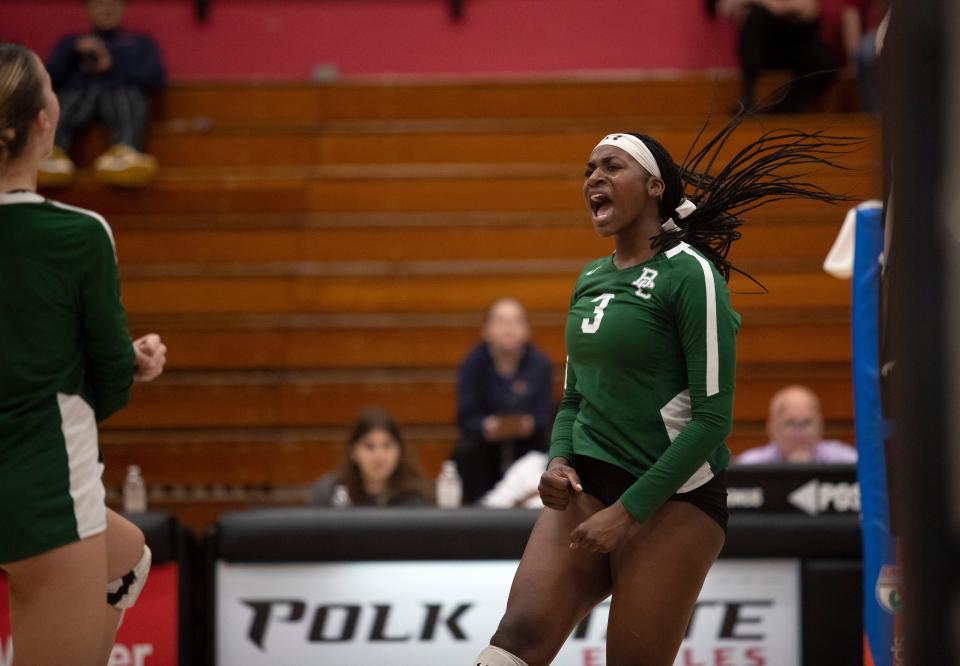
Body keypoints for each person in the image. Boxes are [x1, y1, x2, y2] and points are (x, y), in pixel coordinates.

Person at [471, 116, 856, 664]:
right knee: (516, 638)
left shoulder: (690, 274)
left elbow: (712, 421)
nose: (593, 177)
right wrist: (558, 463)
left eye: (611, 165)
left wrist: (628, 512)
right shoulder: (589, 278)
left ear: (655, 186)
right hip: (590, 483)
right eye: (588, 170)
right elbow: (574, 399)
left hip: (674, 499)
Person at [0, 42, 167, 666]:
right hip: (41, 485)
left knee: (128, 560)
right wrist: (132, 362)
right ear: (46, 119)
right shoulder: (77, 234)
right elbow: (108, 385)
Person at [40, 0, 164, 187]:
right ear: (86, 10)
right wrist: (72, 52)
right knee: (63, 97)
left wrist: (112, 64)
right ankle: (52, 153)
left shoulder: (140, 43)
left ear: (123, 8)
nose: (107, 10)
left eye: (113, 4)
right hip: (78, 100)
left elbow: (156, 79)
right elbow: (47, 81)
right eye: (99, 5)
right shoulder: (71, 43)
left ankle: (126, 151)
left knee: (127, 93)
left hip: (122, 101)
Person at [450, 298, 554, 505]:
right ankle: (475, 511)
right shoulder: (472, 364)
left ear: (527, 330)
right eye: (501, 321)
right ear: (485, 330)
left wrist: (529, 423)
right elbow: (465, 416)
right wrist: (485, 426)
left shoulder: (540, 364)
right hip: (485, 446)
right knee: (466, 451)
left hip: (529, 444)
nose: (508, 328)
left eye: (516, 322)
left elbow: (546, 414)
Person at [310, 407, 431, 507]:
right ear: (353, 452)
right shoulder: (329, 492)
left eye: (387, 446)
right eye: (369, 446)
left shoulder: (416, 496)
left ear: (400, 451)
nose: (379, 456)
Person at [736, 384, 858, 463]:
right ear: (771, 429)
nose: (800, 432)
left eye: (807, 423)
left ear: (821, 426)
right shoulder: (749, 465)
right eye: (790, 423)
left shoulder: (847, 462)